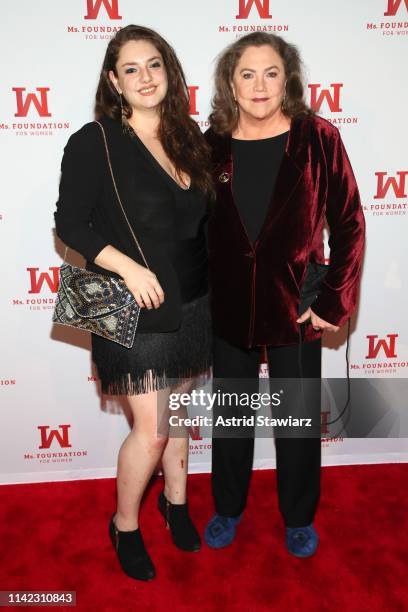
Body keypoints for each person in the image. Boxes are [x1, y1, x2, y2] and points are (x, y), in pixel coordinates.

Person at [54, 25, 213, 580]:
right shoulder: (93, 141)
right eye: (131, 69)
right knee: (153, 429)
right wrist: (127, 266)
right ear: (113, 80)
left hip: (194, 304)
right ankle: (124, 525)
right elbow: (69, 223)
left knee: (176, 415)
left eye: (154, 65)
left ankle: (175, 503)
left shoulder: (188, 134)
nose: (145, 78)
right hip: (130, 307)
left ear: (169, 72)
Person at [203, 32, 365, 557]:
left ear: (288, 78)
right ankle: (227, 507)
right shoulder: (212, 145)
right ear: (231, 82)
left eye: (271, 72)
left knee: (295, 423)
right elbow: (193, 230)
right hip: (227, 305)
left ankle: (298, 516)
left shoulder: (317, 137)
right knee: (230, 418)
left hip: (298, 304)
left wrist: (334, 301)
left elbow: (349, 225)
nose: (259, 85)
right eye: (247, 73)